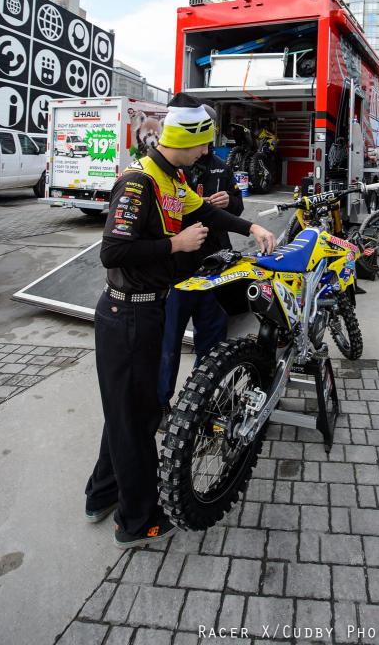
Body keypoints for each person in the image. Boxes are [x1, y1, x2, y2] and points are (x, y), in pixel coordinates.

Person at [84, 94, 275, 549]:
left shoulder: (173, 178)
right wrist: (177, 245)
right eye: (203, 144)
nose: (208, 152)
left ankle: (102, 493)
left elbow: (205, 210)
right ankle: (138, 521)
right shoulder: (139, 182)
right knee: (135, 420)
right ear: (184, 140)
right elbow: (111, 251)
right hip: (127, 312)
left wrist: (252, 228)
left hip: (146, 309)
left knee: (131, 411)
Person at [157, 105, 242, 427]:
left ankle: (204, 395)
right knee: (168, 341)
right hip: (176, 270)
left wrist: (227, 202)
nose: (205, 148)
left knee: (213, 338)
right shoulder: (167, 173)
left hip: (214, 266)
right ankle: (160, 404)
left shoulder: (222, 168)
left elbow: (237, 205)